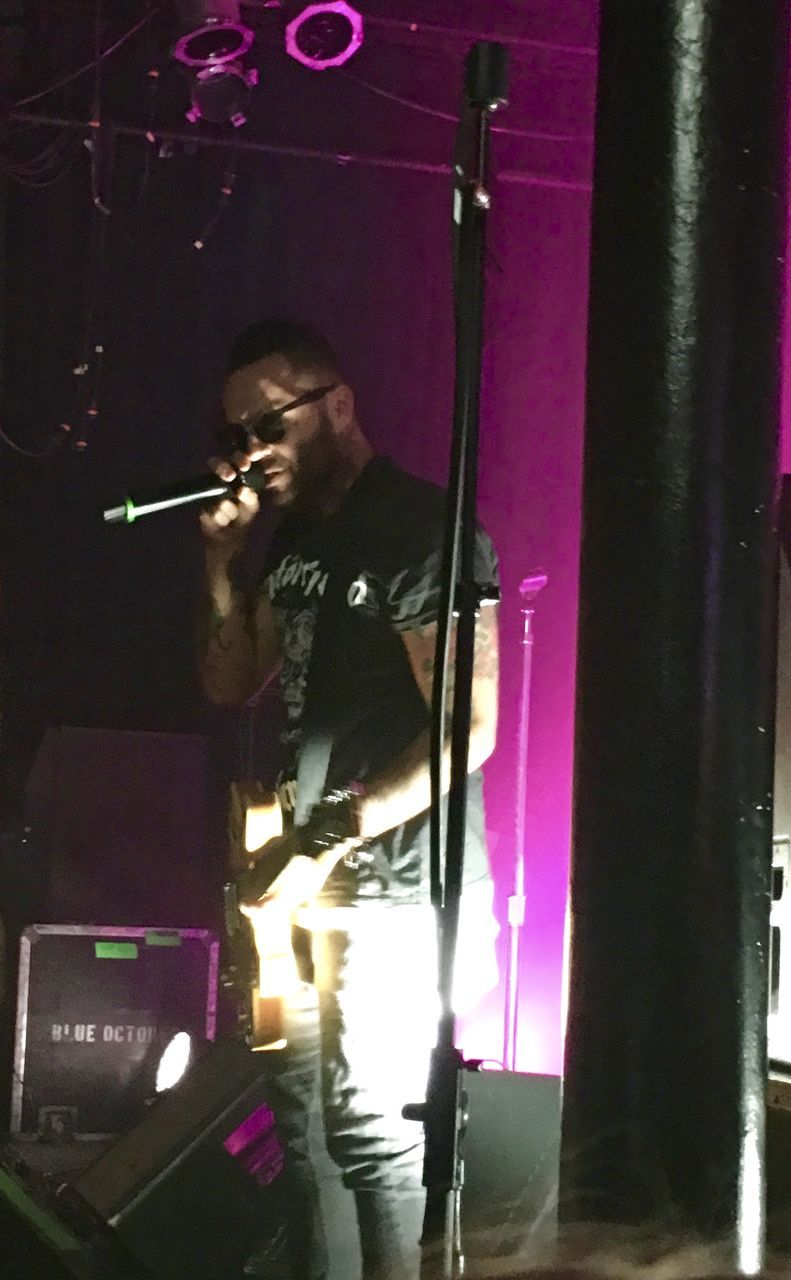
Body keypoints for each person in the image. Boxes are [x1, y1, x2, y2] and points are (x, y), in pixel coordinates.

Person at [198, 319, 500, 1280]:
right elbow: (230, 679)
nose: (251, 451)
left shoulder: (421, 527)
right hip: (302, 880)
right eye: (237, 432)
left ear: (336, 405)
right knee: (306, 1135)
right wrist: (220, 562)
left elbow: (468, 728)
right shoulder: (296, 540)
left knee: (374, 1134)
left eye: (267, 424)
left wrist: (325, 838)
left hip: (392, 887)